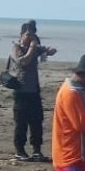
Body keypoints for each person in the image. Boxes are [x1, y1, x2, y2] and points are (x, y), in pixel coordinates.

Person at [9, 27, 56, 161]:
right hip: (21, 91)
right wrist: (32, 48)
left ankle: (37, 150)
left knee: (36, 121)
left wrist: (49, 50)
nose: (30, 38)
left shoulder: (35, 47)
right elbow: (23, 61)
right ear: (21, 35)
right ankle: (20, 150)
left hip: (34, 91)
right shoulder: (16, 48)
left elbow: (47, 51)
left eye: (32, 35)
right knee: (21, 122)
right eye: (27, 35)